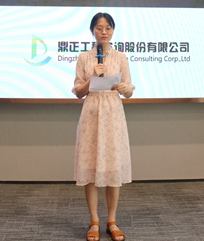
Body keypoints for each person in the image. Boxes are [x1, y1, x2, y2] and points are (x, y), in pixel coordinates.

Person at [73, 12, 134, 241]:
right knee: (90, 166)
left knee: (112, 167)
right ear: (93, 31)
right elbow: (78, 92)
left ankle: (112, 220)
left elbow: (129, 90)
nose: (104, 32)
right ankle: (94, 221)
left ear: (113, 30)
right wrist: (92, 78)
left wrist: (124, 89)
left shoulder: (121, 57)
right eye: (99, 28)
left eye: (108, 27)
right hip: (91, 112)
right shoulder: (84, 58)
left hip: (113, 113)